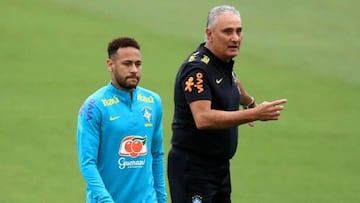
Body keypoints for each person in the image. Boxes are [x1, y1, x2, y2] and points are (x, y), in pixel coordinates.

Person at [167, 5, 287, 203]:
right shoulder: (197, 69)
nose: (235, 38)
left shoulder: (222, 62)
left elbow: (232, 84)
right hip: (193, 171)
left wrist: (249, 103)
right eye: (227, 31)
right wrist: (254, 114)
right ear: (209, 33)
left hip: (219, 168)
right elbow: (203, 118)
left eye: (239, 31)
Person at [77, 37, 167, 203]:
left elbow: (157, 154)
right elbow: (88, 163)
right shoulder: (94, 106)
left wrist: (161, 199)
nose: (134, 69)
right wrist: (105, 200)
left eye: (138, 64)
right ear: (110, 65)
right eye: (127, 64)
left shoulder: (153, 102)